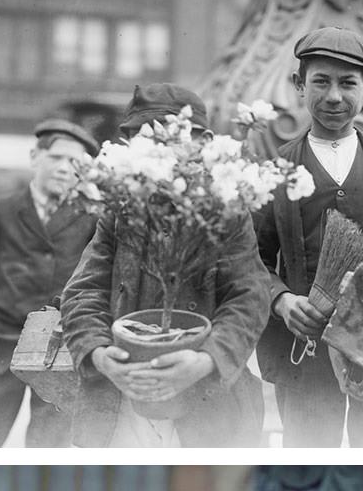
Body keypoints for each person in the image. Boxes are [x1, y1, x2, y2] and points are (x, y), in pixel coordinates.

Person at [60, 83, 270, 447]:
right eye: (143, 140)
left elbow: (249, 299)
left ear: (202, 141)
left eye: (167, 137)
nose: (155, 151)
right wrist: (99, 355)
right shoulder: (121, 208)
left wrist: (206, 360)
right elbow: (83, 291)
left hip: (206, 403)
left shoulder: (227, 211)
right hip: (121, 398)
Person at [253, 27, 363, 447]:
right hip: (306, 348)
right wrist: (281, 299)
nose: (334, 97)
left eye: (348, 83)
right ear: (299, 85)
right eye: (320, 82)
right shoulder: (276, 170)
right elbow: (251, 257)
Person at [0, 119, 100, 447]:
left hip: (59, 354)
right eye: (56, 157)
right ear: (35, 157)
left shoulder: (92, 218)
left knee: (50, 449)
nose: (64, 169)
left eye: (75, 162)